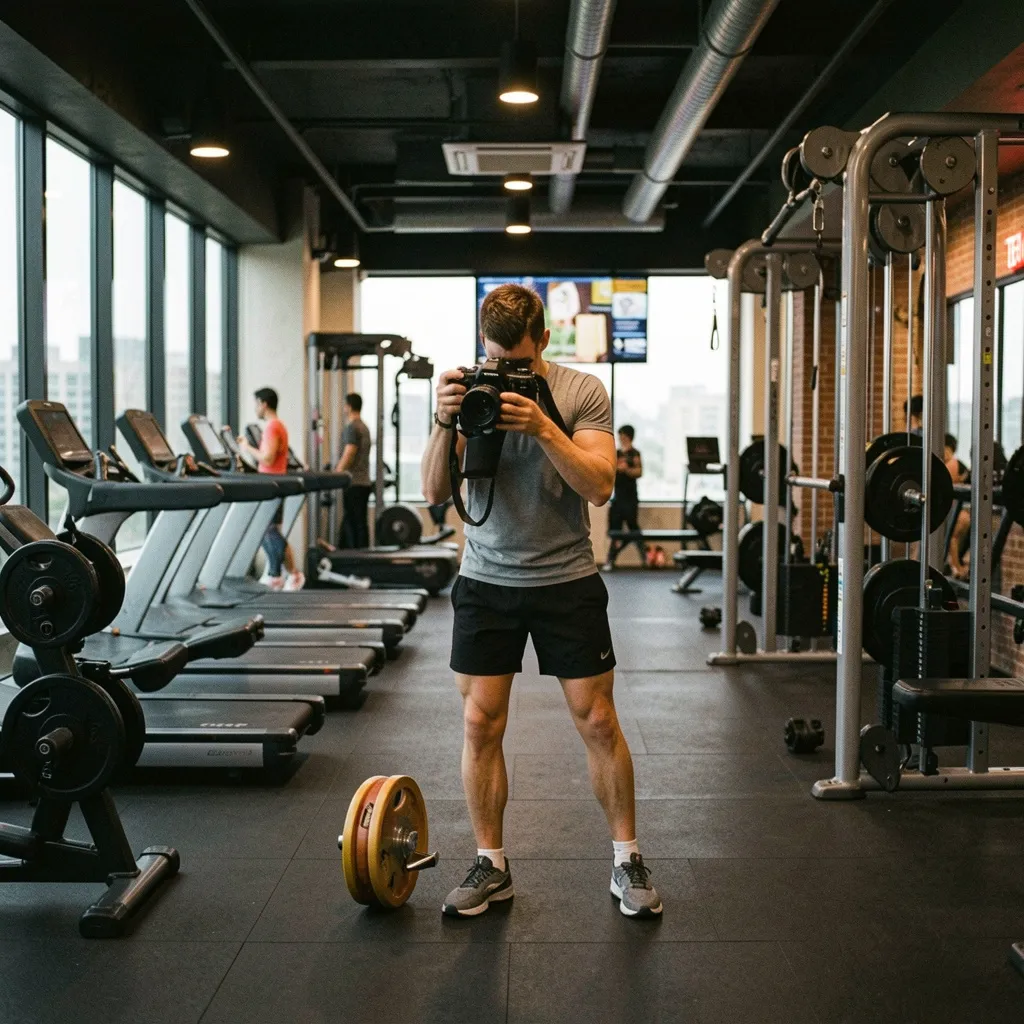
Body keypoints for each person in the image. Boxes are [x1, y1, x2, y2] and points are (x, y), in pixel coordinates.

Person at [421, 282, 662, 920]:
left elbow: (602, 485)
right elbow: (430, 490)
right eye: (498, 359)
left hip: (566, 579)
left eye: (521, 363)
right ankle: (490, 863)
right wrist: (446, 420)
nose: (508, 374)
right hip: (486, 581)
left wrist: (546, 427)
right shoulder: (465, 391)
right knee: (479, 724)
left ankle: (626, 858)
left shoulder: (582, 392)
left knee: (599, 722)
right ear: (482, 345)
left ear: (544, 343)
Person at [237, 387, 304, 591]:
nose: (255, 408)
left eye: (256, 403)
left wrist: (246, 447)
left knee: (268, 531)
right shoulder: (278, 426)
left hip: (271, 485)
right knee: (273, 531)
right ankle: (291, 575)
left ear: (263, 404)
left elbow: (267, 457)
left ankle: (278, 575)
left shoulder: (272, 427)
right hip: (274, 483)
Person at [601, 425, 644, 570]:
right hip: (618, 497)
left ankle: (645, 559)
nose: (620, 438)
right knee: (615, 530)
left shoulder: (635, 454)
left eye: (622, 435)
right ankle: (610, 560)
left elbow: (639, 472)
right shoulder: (617, 453)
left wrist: (627, 470)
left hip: (630, 497)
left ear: (627, 436)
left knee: (633, 529)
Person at [335, 393, 373, 549]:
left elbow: (350, 452)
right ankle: (359, 555)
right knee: (358, 522)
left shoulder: (352, 427)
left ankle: (355, 557)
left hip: (354, 482)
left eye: (344, 405)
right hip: (364, 481)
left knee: (353, 522)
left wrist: (337, 473)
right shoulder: (364, 427)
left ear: (349, 406)